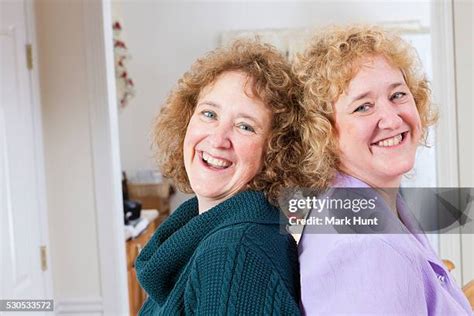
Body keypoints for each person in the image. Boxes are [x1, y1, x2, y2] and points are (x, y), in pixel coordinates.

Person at [294, 25, 472, 314]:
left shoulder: (375, 207)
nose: (391, 118)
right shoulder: (367, 248)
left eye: (398, 95)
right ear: (322, 131)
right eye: (363, 107)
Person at [135, 39, 304, 315]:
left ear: (276, 150)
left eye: (245, 126)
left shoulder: (234, 254)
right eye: (209, 113)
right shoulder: (207, 230)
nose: (218, 139)